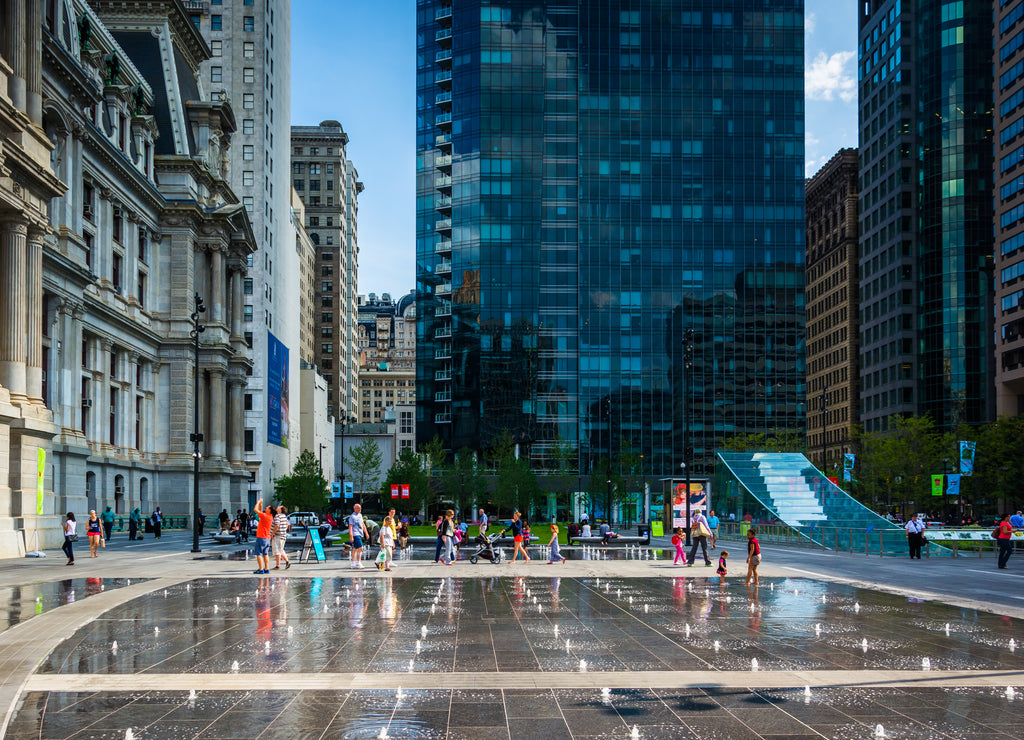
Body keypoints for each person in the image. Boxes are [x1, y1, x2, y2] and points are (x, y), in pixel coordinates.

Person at [252, 498, 273, 574]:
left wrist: (258, 502)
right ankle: (266, 568)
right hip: (267, 538)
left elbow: (255, 510)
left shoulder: (265, 516)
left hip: (261, 537)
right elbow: (260, 514)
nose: (265, 508)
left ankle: (261, 569)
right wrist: (261, 506)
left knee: (259, 553)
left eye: (267, 507)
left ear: (269, 510)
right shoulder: (269, 516)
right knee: (265, 553)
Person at [349, 503, 369, 569]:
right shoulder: (352, 517)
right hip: (355, 533)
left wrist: (366, 533)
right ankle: (358, 562)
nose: (360, 509)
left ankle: (353, 563)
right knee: (361, 548)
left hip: (360, 533)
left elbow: (363, 524)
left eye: (360, 508)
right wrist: (351, 536)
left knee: (355, 549)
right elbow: (350, 527)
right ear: (355, 508)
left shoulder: (360, 515)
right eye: (358, 508)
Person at [272, 505, 292, 570]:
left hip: (278, 535)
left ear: (280, 510)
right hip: (283, 535)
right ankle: (287, 561)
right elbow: (287, 524)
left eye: (279, 507)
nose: (277, 507)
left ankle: (278, 565)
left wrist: (273, 532)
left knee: (277, 550)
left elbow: (277, 525)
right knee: (281, 549)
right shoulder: (284, 516)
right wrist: (284, 530)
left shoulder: (278, 516)